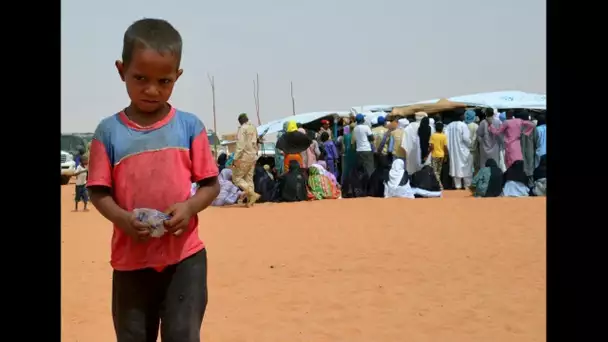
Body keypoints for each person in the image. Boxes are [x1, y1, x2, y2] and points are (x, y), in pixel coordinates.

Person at [86, 18, 219, 342]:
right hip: (132, 262)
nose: (151, 89)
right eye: (140, 78)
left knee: (183, 335)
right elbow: (98, 191)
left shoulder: (190, 127)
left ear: (177, 76)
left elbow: (210, 184)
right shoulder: (109, 132)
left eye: (164, 80)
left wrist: (189, 208)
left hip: (184, 259)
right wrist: (123, 219)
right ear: (121, 71)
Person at [233, 113, 261, 206]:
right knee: (249, 178)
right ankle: (250, 201)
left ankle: (252, 194)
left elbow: (240, 144)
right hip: (253, 156)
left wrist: (236, 158)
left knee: (236, 178)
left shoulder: (242, 129)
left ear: (240, 121)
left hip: (244, 156)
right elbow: (257, 142)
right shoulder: (253, 127)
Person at [446, 112, 473, 189]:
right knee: (466, 169)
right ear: (460, 116)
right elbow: (466, 138)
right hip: (463, 151)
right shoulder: (463, 125)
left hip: (453, 151)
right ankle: (467, 187)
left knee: (455, 168)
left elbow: (446, 139)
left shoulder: (449, 126)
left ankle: (458, 187)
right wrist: (470, 143)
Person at [519, 111, 537, 185]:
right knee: (530, 165)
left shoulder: (519, 125)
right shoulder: (533, 125)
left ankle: (523, 185)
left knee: (522, 165)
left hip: (520, 148)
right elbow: (535, 139)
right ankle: (531, 184)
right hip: (530, 148)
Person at [429, 121, 448, 190]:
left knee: (434, 171)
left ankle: (440, 185)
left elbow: (432, 146)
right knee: (439, 171)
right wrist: (446, 155)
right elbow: (445, 147)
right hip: (441, 155)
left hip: (434, 155)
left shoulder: (433, 135)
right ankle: (438, 185)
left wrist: (428, 153)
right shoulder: (444, 136)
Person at [465, 110, 480, 174]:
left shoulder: (464, 125)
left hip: (465, 150)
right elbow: (476, 138)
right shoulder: (476, 126)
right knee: (475, 166)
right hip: (474, 150)